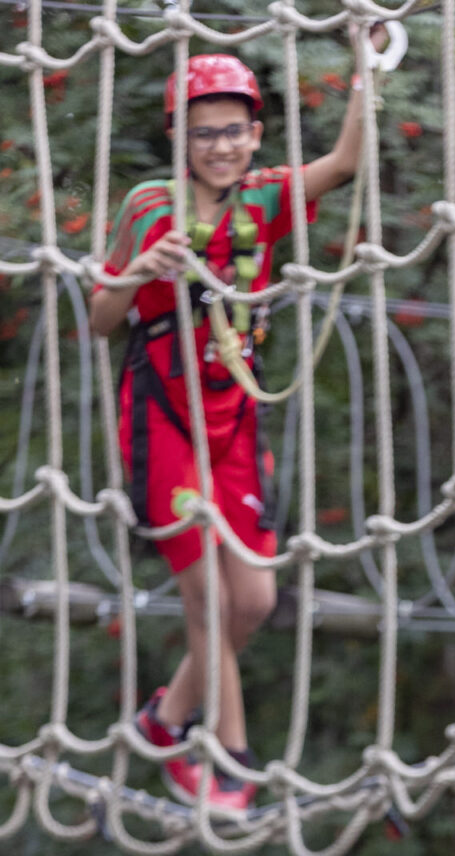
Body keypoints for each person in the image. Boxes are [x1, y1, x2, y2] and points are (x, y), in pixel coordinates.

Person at [89, 45, 383, 815]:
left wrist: (365, 68)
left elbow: (346, 162)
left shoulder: (265, 198)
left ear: (255, 134)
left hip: (235, 414)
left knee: (252, 599)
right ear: (178, 139)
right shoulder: (149, 207)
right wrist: (141, 267)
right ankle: (230, 757)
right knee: (208, 600)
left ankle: (163, 718)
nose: (220, 146)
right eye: (204, 132)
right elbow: (99, 317)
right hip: (163, 415)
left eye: (233, 130)